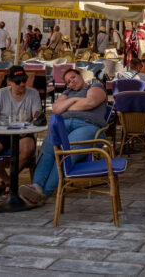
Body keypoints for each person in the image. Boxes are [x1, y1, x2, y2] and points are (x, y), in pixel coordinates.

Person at [20, 68, 107, 205]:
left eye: (73, 77)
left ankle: (44, 193)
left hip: (88, 126)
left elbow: (90, 102)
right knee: (48, 148)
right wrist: (76, 100)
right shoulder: (68, 92)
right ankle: (36, 186)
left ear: (80, 75)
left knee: (66, 151)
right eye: (68, 82)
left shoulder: (95, 86)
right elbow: (55, 109)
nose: (72, 82)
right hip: (63, 124)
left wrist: (66, 106)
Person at [0, 65, 43, 186]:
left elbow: (37, 117)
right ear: (9, 82)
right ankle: (7, 181)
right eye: (17, 81)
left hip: (23, 132)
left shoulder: (33, 93)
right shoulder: (0, 94)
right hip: (2, 132)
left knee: (27, 150)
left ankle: (9, 181)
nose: (22, 84)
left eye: (24, 80)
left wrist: (31, 126)